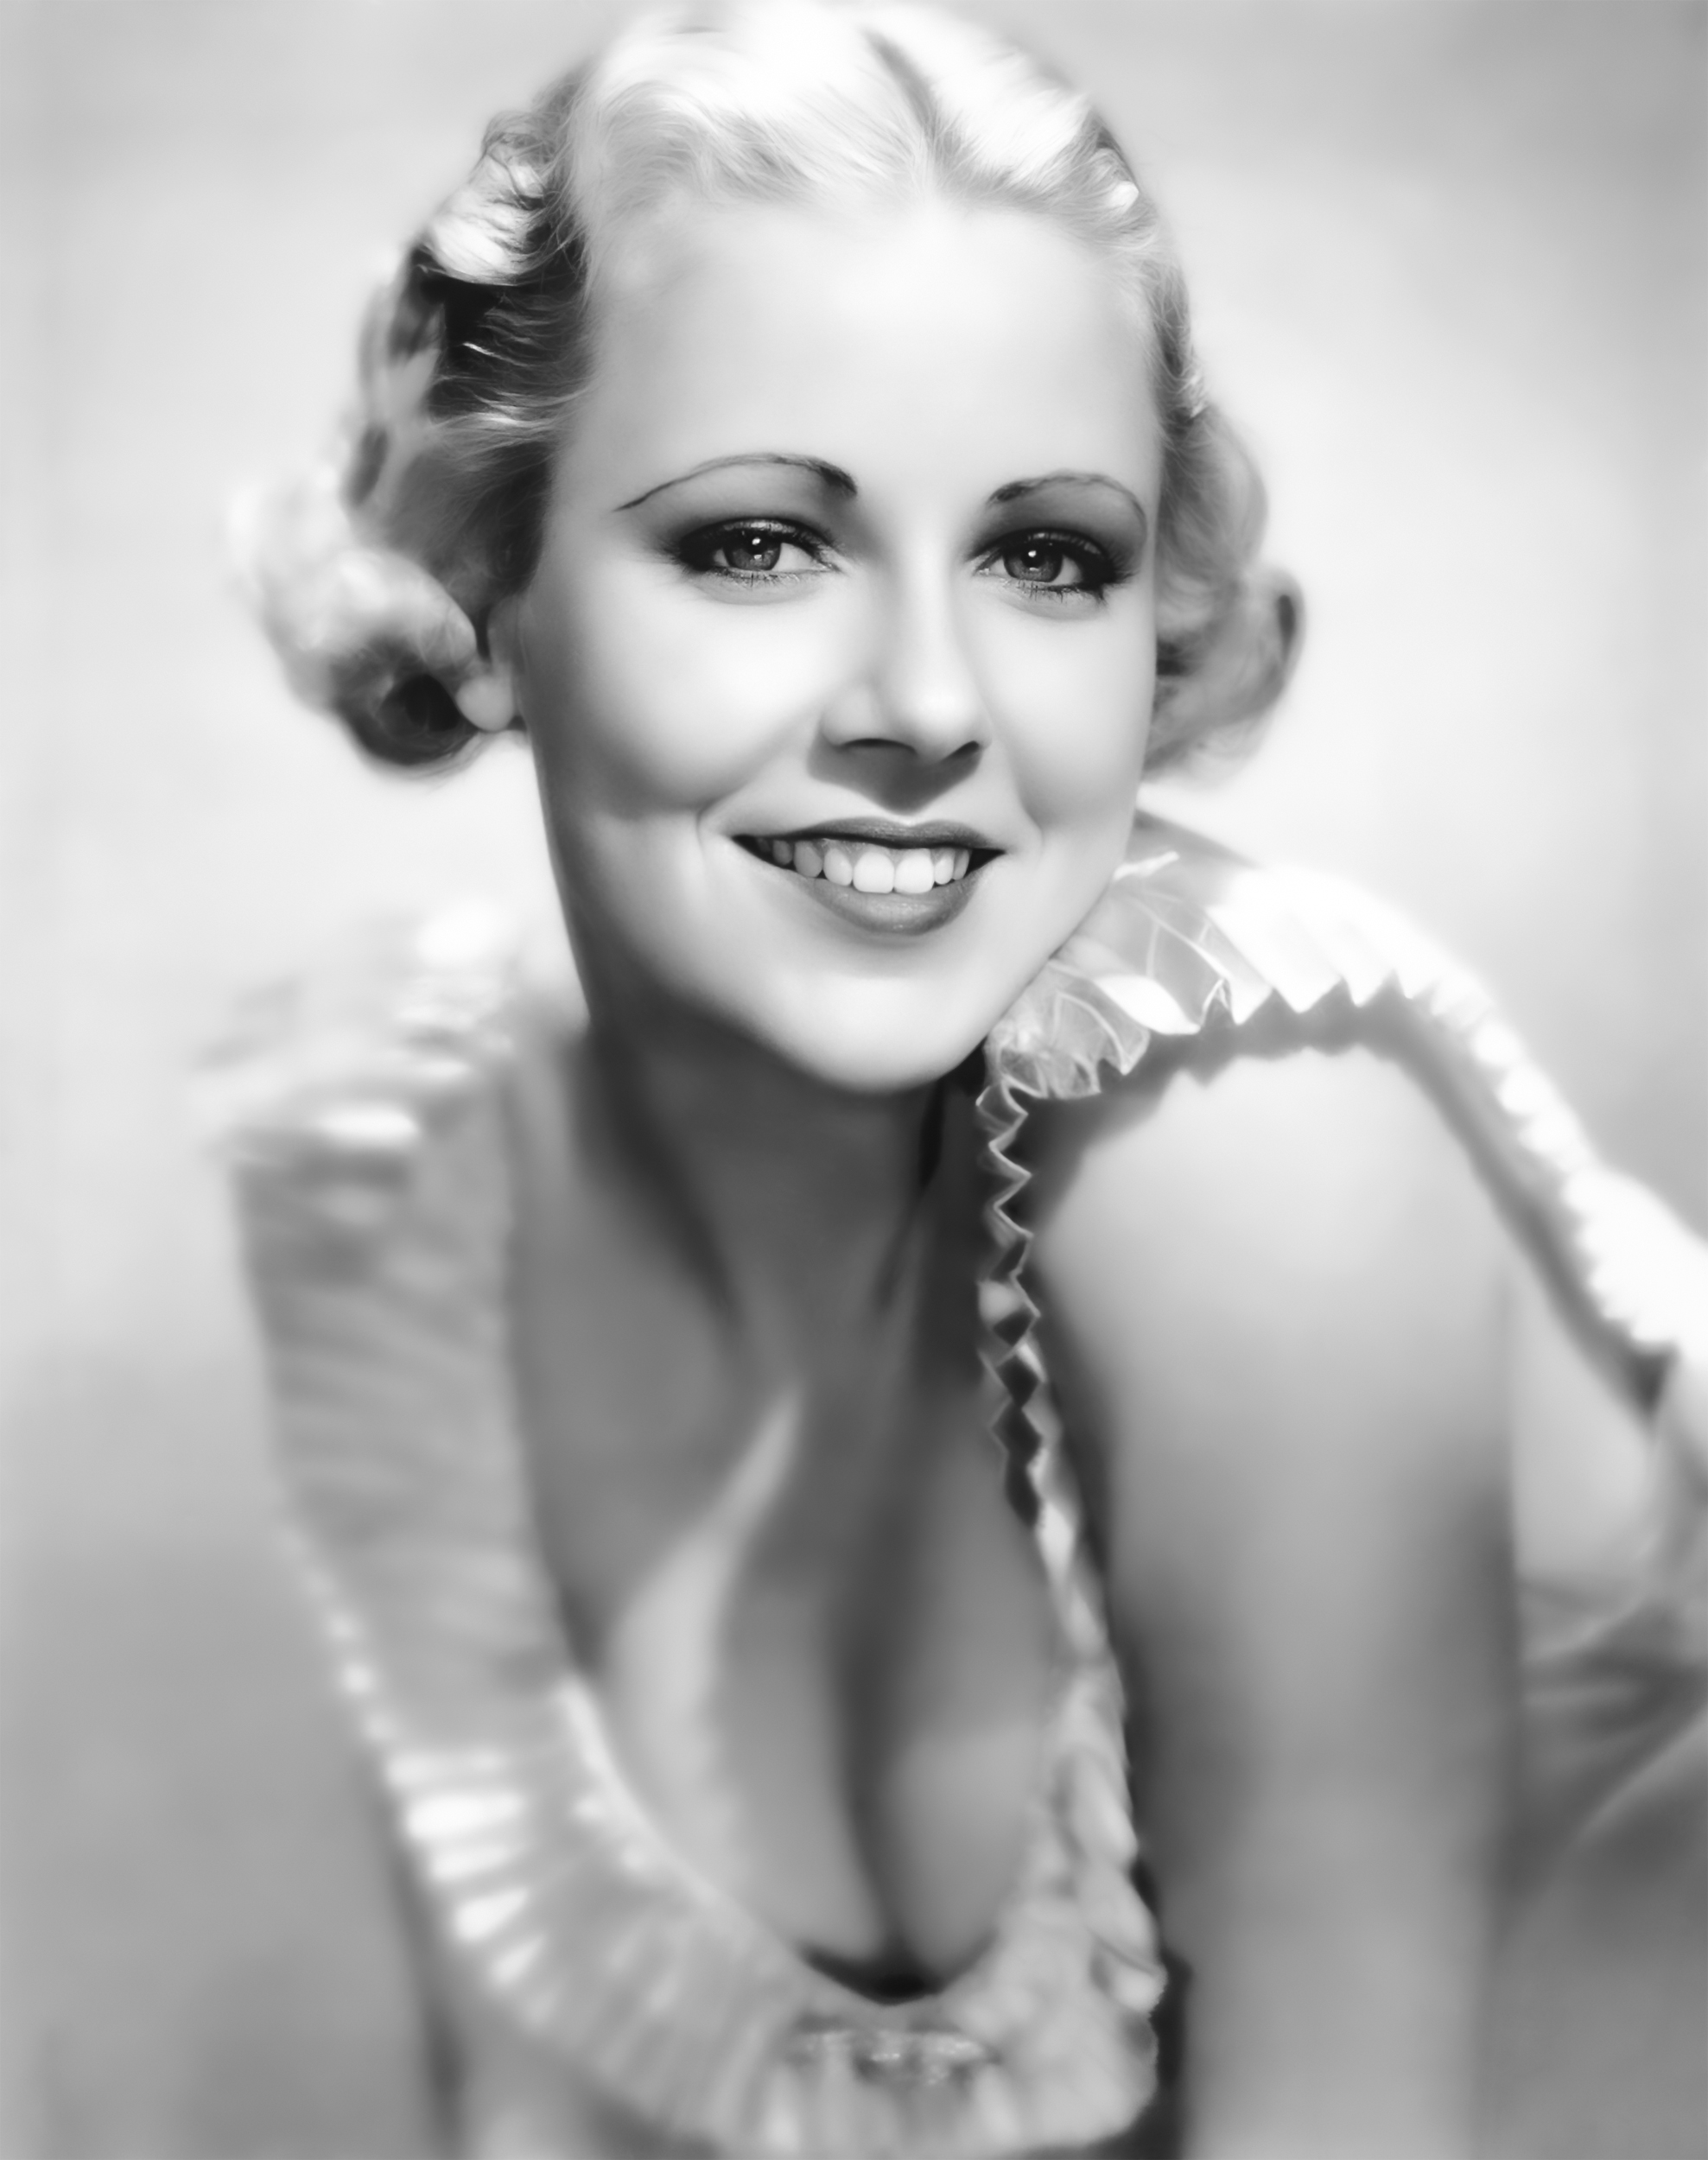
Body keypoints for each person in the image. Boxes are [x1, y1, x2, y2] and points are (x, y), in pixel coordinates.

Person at [217, 3, 1708, 2153]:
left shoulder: (1256, 1162)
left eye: (1045, 556)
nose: (926, 701)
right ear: (486, 575)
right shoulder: (414, 1204)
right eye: (755, 541)